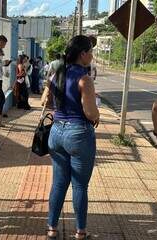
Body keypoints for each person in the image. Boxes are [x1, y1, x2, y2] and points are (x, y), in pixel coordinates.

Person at [47, 35, 99, 240]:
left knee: (58, 183)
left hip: (56, 132)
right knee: (79, 185)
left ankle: (51, 227)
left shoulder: (56, 74)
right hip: (78, 134)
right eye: (91, 52)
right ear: (83, 54)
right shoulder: (84, 79)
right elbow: (91, 113)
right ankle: (80, 231)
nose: (92, 56)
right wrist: (98, 115)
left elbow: (47, 101)